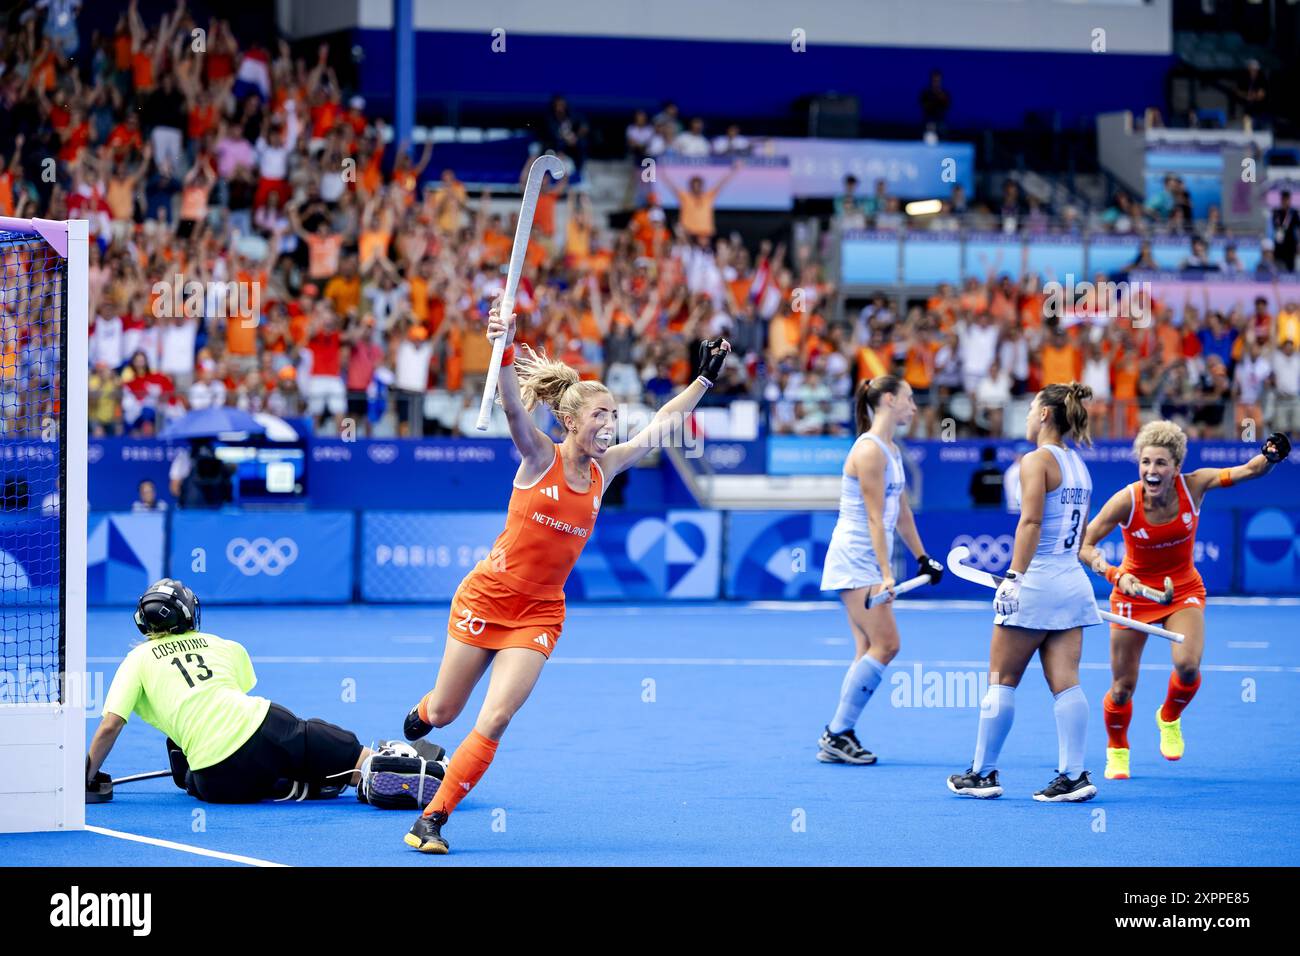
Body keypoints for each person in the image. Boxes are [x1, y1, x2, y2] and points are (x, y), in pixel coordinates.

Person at [399, 305, 732, 854]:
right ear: (572, 420)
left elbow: (662, 425)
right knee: (444, 712)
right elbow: (510, 406)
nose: (611, 424)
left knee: (497, 716)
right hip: (487, 596)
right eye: (601, 415)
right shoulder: (538, 457)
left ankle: (432, 819)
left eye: (614, 415)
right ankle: (424, 712)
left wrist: (703, 379)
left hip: (540, 612)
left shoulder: (607, 469)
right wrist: (502, 348)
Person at [1079, 423, 1290, 781]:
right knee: (1121, 689)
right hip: (1132, 594)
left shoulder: (1195, 485)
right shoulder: (1125, 500)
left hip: (1182, 590)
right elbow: (1085, 545)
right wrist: (1113, 574)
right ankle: (1117, 748)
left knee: (1188, 666)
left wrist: (1270, 457)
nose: (1151, 471)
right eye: (1145, 462)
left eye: (1161, 463)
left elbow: (1250, 471)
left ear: (1176, 467)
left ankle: (1169, 717)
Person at [86, 580, 377, 804]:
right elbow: (235, 696)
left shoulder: (136, 659)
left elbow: (110, 725)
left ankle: (293, 786)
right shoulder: (219, 643)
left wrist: (85, 779)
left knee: (184, 764)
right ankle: (370, 763)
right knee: (315, 737)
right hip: (262, 729)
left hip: (215, 780)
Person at [947, 383, 1101, 802]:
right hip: (1071, 583)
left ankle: (982, 774)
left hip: (1037, 584)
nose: (1029, 416)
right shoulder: (1078, 465)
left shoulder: (1037, 461)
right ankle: (1074, 775)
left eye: (1033, 408)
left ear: (1046, 415)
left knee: (1002, 680)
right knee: (1067, 683)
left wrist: (1014, 577)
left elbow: (1030, 523)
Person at [817, 375, 943, 764]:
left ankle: (840, 734)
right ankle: (836, 733)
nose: (914, 406)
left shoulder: (890, 449)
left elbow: (901, 512)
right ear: (889, 400)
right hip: (857, 557)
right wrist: (887, 573)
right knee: (887, 644)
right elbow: (875, 518)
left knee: (867, 649)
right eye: (908, 399)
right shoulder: (870, 451)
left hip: (868, 558)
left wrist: (922, 558)